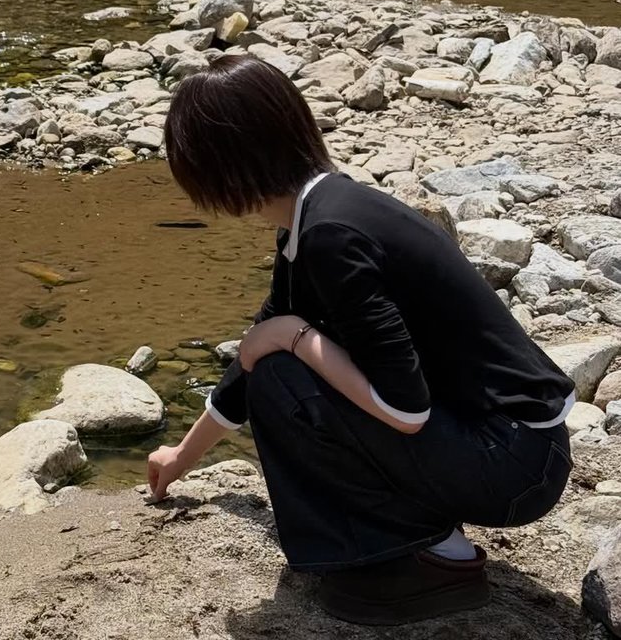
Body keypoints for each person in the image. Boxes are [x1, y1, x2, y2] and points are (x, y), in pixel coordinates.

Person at [146, 53, 574, 626]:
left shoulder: (331, 237)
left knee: (285, 374)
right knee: (275, 364)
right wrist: (181, 457)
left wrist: (293, 337)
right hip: (511, 445)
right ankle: (416, 538)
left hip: (514, 464)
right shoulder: (317, 215)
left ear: (221, 166)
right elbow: (252, 356)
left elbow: (405, 410)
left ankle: (433, 558)